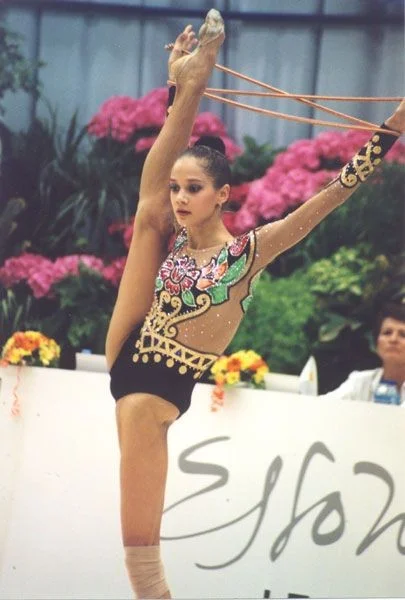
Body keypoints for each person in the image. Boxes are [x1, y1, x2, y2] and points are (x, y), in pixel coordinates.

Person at [105, 9, 405, 598]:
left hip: (156, 393)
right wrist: (176, 92)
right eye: (178, 188)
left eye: (194, 189)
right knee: (147, 215)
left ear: (224, 195)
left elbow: (330, 197)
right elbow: (162, 180)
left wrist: (388, 134)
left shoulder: (248, 252)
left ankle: (194, 79)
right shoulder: (176, 236)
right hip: (131, 351)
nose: (182, 198)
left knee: (143, 570)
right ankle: (195, 76)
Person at [321, 303, 405, 405]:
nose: (393, 339)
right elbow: (322, 405)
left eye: (403, 335)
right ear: (376, 344)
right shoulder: (360, 382)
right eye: (387, 333)